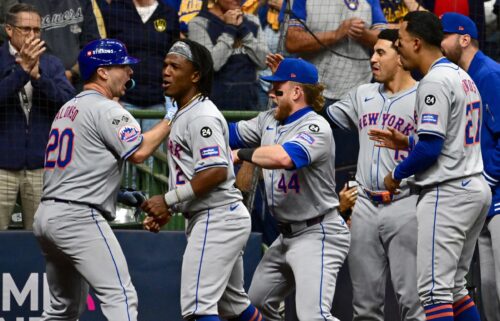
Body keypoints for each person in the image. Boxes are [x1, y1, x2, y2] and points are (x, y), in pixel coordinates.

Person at [32, 38, 172, 320]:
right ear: (103, 72)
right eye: (123, 66)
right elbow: (140, 152)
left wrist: (116, 193)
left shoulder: (67, 108)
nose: (130, 72)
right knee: (120, 296)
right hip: (78, 218)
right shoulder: (107, 109)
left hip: (48, 216)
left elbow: (76, 167)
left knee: (63, 310)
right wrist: (173, 117)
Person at [368, 11, 491, 321]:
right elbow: (448, 138)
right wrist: (407, 141)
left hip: (448, 193)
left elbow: (431, 148)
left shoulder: (434, 81)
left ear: (418, 43)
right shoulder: (461, 75)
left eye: (401, 42)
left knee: (433, 293)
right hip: (473, 187)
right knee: (454, 290)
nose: (398, 48)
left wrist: (395, 174)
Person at [141, 39, 263, 321]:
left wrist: (168, 200)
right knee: (234, 307)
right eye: (164, 65)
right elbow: (193, 173)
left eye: (175, 66)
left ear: (195, 75)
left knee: (198, 308)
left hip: (216, 217)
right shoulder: (185, 113)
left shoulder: (202, 116)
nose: (166, 72)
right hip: (217, 215)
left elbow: (216, 171)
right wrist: (170, 208)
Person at [228, 57, 350, 320]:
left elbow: (285, 158)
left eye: (278, 89)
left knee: (313, 316)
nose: (271, 94)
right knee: (257, 304)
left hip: (318, 233)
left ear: (297, 92)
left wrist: (242, 154)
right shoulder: (269, 120)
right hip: (285, 237)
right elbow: (228, 132)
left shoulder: (316, 127)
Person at [325, 28, 424, 321]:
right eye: (372, 52)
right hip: (365, 205)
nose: (373, 59)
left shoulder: (424, 95)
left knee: (413, 302)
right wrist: (299, 88)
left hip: (406, 202)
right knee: (364, 306)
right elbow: (325, 114)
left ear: (400, 55)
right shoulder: (362, 93)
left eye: (381, 52)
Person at [440, 12, 500, 321]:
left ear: (464, 39)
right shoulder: (462, 76)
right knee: (487, 288)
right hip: (484, 196)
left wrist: (489, 178)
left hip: (495, 190)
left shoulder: (488, 74)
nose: (439, 42)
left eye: (444, 36)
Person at [0, 3, 75, 230]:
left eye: (37, 30)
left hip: (40, 167)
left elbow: (68, 104)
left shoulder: (51, 63)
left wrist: (39, 77)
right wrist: (21, 73)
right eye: (25, 29)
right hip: (2, 167)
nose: (32, 35)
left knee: (40, 239)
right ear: (9, 30)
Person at [285, 0, 387, 106]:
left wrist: (364, 34)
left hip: (355, 91)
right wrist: (335, 34)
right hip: (310, 89)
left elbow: (385, 39)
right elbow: (292, 42)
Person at [102, 0, 180, 131]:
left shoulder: (169, 13)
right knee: (122, 151)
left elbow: (174, 57)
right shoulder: (114, 10)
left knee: (154, 151)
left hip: (158, 101)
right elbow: (106, 56)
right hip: (121, 101)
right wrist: (112, 97)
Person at [188, 0, 268, 111]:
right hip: (214, 109)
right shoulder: (199, 23)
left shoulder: (251, 21)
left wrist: (244, 30)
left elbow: (264, 62)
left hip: (250, 106)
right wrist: (230, 29)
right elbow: (212, 64)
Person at [21, 0, 101, 84]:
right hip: (42, 79)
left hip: (80, 78)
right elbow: (22, 46)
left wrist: (74, 72)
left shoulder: (82, 2)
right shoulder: (26, 4)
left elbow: (93, 45)